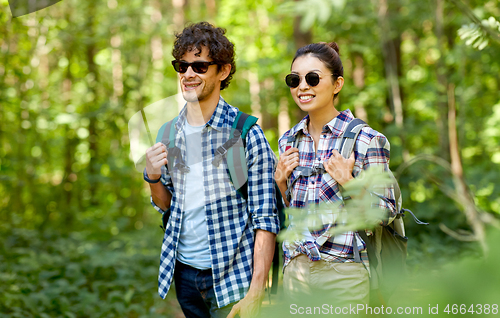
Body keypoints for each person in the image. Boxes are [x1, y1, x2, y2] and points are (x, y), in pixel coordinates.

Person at [143, 22, 279, 318]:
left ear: (224, 71)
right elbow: (167, 205)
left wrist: (257, 292)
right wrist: (152, 177)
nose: (189, 74)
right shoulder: (168, 133)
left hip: (233, 279)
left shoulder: (244, 133)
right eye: (182, 66)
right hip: (184, 277)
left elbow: (266, 218)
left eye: (200, 66)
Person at [275, 42, 397, 306]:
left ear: (337, 84)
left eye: (313, 78)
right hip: (297, 271)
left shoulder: (366, 139)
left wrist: (349, 182)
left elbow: (386, 212)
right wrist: (281, 182)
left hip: (344, 273)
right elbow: (293, 212)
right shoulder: (288, 140)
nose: (302, 87)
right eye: (294, 80)